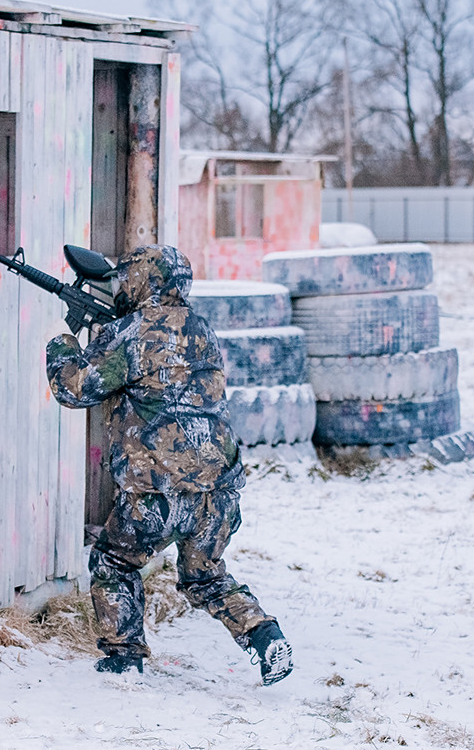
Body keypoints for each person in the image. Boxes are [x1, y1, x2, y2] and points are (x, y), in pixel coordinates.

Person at [44, 244, 292, 684]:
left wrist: (64, 343)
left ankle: (123, 658)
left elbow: (75, 389)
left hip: (158, 489)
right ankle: (265, 636)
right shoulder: (201, 328)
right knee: (205, 576)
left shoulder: (130, 332)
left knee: (115, 562)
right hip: (218, 488)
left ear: (139, 281)